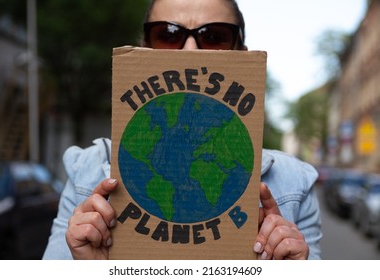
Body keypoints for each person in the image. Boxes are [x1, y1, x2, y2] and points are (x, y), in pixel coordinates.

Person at [43, 0, 322, 260]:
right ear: (144, 48)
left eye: (213, 37)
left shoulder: (295, 184)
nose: (190, 50)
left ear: (241, 54)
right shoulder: (85, 172)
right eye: (168, 34)